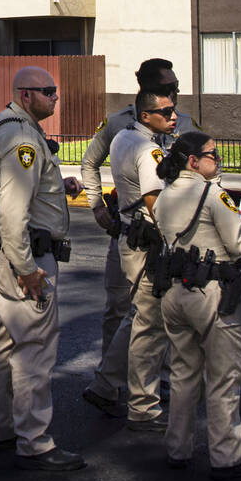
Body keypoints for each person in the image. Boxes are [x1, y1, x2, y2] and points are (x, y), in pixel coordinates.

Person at [0, 66, 85, 471]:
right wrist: (27, 270)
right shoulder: (22, 138)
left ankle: (0, 427)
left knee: (6, 343)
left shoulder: (7, 129)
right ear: (25, 95)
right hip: (24, 260)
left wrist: (61, 186)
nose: (56, 98)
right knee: (34, 351)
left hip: (2, 257)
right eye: (48, 91)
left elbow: (19, 193)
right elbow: (12, 211)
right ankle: (35, 441)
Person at [152, 132, 241, 480]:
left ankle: (178, 449)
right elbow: (236, 244)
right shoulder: (213, 194)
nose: (218, 160)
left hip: (173, 293)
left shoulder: (164, 196)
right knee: (224, 377)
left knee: (183, 374)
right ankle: (226, 456)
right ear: (193, 161)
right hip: (211, 294)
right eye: (212, 155)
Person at [81, 59, 199, 356]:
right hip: (129, 230)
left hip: (170, 233)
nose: (174, 92)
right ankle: (111, 378)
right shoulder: (119, 123)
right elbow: (89, 162)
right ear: (146, 91)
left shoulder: (184, 125)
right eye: (167, 88)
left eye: (175, 86)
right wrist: (96, 205)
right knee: (118, 307)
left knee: (166, 309)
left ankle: (159, 377)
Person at [82, 89, 177, 431]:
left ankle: (107, 384)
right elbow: (156, 202)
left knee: (136, 317)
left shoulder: (123, 135)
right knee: (146, 323)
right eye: (166, 111)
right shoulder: (147, 148)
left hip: (130, 234)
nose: (174, 116)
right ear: (146, 114)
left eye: (173, 108)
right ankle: (140, 403)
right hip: (147, 239)